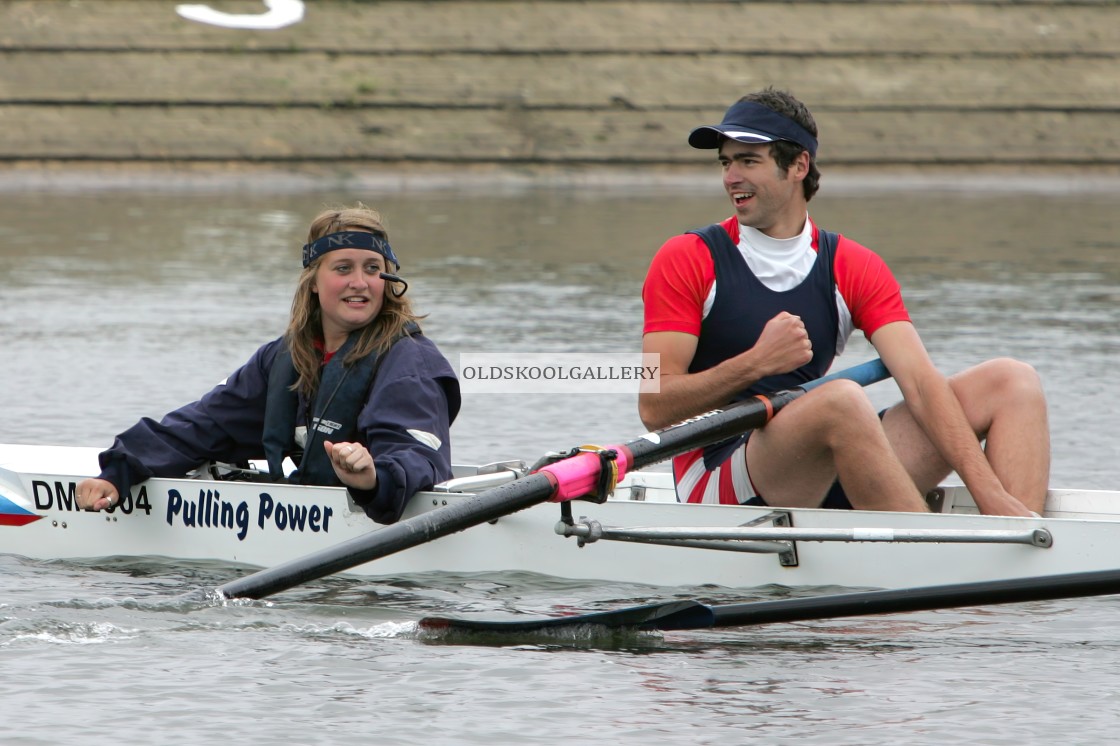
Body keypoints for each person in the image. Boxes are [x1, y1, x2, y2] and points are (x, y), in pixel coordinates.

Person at [639, 87, 1050, 516]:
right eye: (726, 162)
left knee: (1012, 381)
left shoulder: (853, 265)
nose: (730, 177)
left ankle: (1021, 534)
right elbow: (654, 406)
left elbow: (922, 386)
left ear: (798, 165)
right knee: (842, 400)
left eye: (748, 160)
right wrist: (755, 363)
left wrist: (989, 493)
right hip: (717, 479)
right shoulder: (686, 258)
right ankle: (924, 553)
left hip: (829, 463)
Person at [76, 204, 461, 524]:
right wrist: (119, 471)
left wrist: (372, 477)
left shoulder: (412, 362)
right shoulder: (282, 358)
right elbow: (203, 425)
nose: (360, 282)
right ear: (313, 281)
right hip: (301, 522)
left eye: (372, 268)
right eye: (343, 268)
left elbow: (417, 459)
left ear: (387, 278)